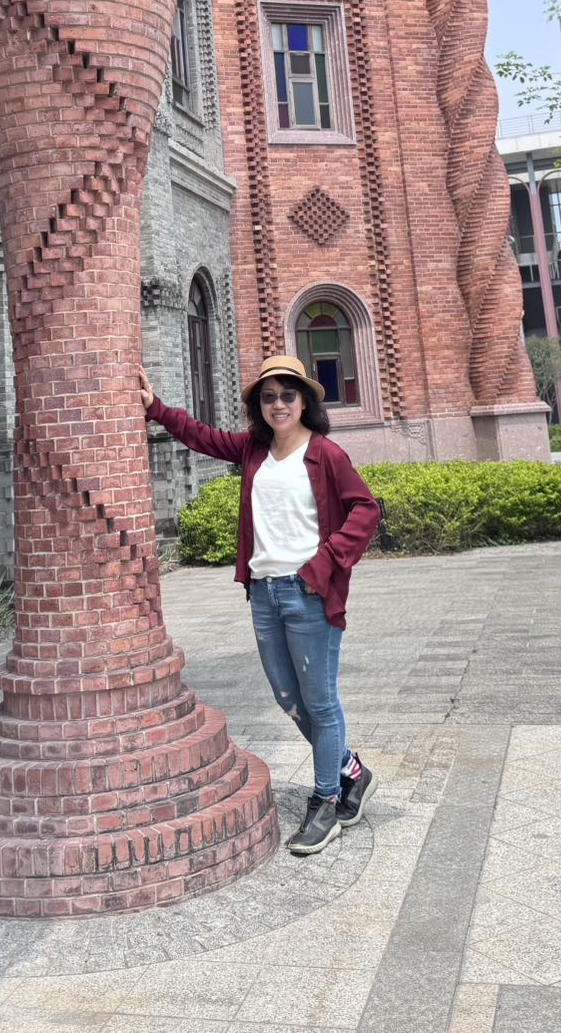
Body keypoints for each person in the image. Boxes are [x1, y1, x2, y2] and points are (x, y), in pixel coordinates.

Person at [139, 353, 380, 856]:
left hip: (308, 594)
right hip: (265, 594)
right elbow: (202, 437)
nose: (278, 404)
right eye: (268, 397)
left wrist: (323, 565)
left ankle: (327, 801)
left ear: (305, 402)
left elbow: (365, 509)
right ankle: (351, 770)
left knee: (320, 702)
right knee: (288, 698)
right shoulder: (254, 450)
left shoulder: (326, 454)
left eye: (288, 395)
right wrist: (155, 407)